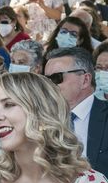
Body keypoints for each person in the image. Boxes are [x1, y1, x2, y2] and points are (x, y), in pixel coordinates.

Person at [44, 47, 108, 176]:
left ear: (85, 80)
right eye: (46, 80)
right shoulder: (41, 118)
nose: (50, 85)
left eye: (57, 78)